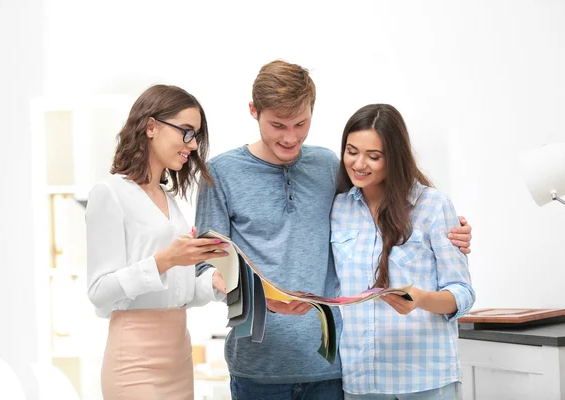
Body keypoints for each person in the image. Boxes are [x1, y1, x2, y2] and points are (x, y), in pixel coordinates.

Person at [195, 60, 473, 400]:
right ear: (254, 111)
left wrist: (451, 232)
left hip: (332, 367)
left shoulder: (328, 166)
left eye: (301, 123)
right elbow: (206, 268)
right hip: (258, 368)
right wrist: (260, 299)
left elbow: (380, 210)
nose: (290, 137)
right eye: (278, 125)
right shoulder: (219, 174)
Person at [85, 84, 230, 400]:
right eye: (186, 132)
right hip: (134, 359)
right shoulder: (110, 193)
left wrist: (212, 282)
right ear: (151, 126)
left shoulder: (168, 199)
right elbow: (98, 292)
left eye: (196, 136)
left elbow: (178, 292)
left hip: (178, 354)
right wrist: (167, 259)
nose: (192, 145)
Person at [331, 104, 475, 399]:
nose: (359, 163)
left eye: (374, 156)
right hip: (362, 382)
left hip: (425, 378)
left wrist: (420, 299)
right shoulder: (338, 209)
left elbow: (462, 293)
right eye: (351, 151)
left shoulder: (433, 206)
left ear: (394, 158)